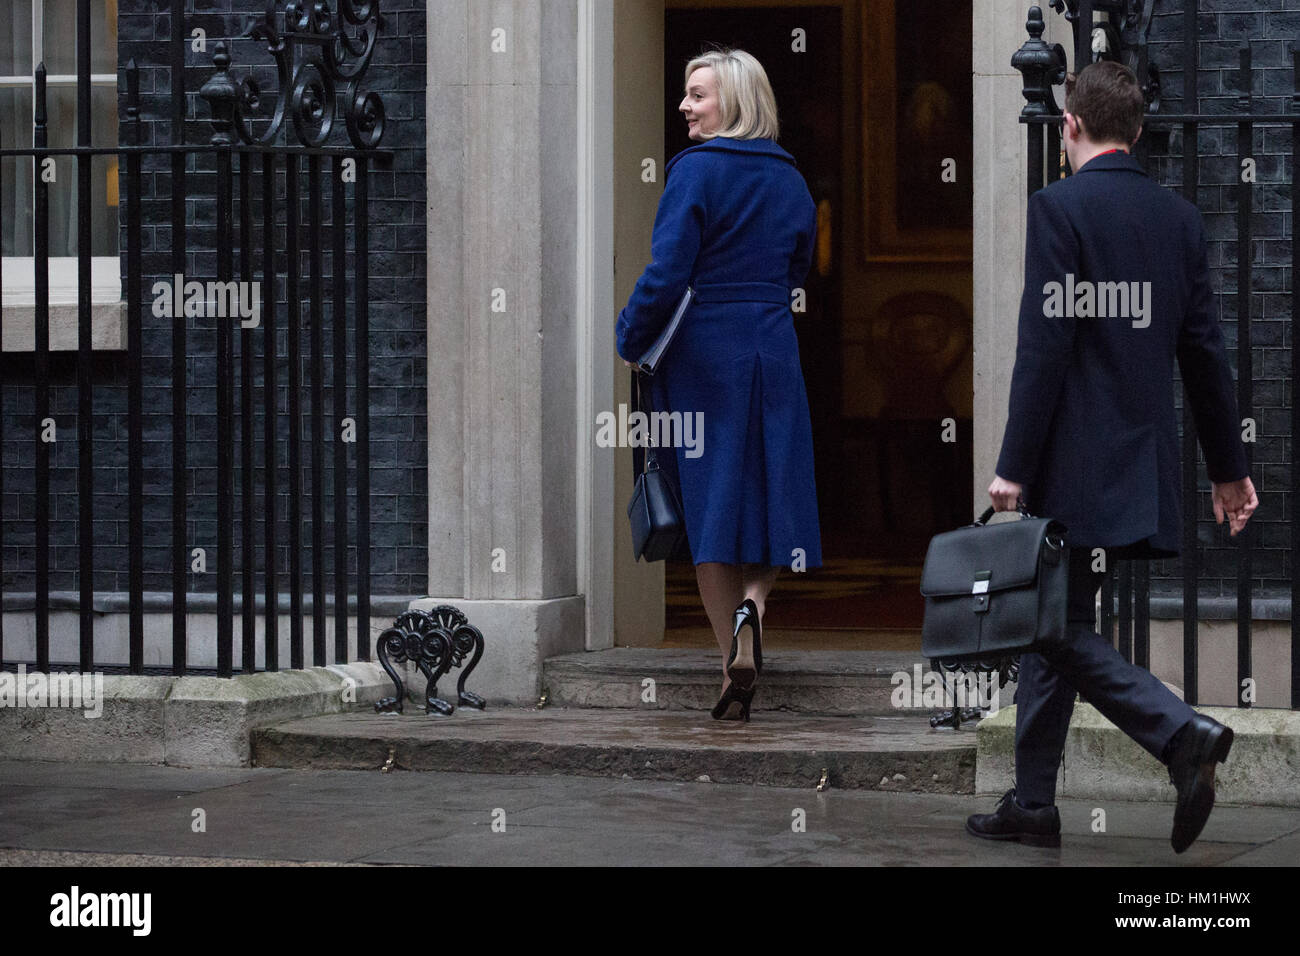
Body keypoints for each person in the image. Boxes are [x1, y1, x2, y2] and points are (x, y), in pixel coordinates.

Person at [966, 60, 1258, 853]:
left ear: (1070, 125)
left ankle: (1178, 732)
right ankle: (1032, 803)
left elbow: (1045, 344)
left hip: (1068, 463)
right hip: (1139, 464)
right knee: (1053, 622)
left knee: (1052, 626)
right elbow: (1204, 353)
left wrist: (1012, 466)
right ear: (1135, 130)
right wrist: (1230, 471)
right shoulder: (1178, 220)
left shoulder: (1058, 208)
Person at [615, 48, 822, 722]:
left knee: (710, 507)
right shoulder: (792, 179)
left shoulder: (694, 171)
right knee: (772, 493)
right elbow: (799, 272)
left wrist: (630, 335)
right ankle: (753, 610)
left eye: (697, 95)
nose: (684, 106)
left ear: (732, 100)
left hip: (704, 355)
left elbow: (668, 271)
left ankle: (725, 652)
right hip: (774, 347)